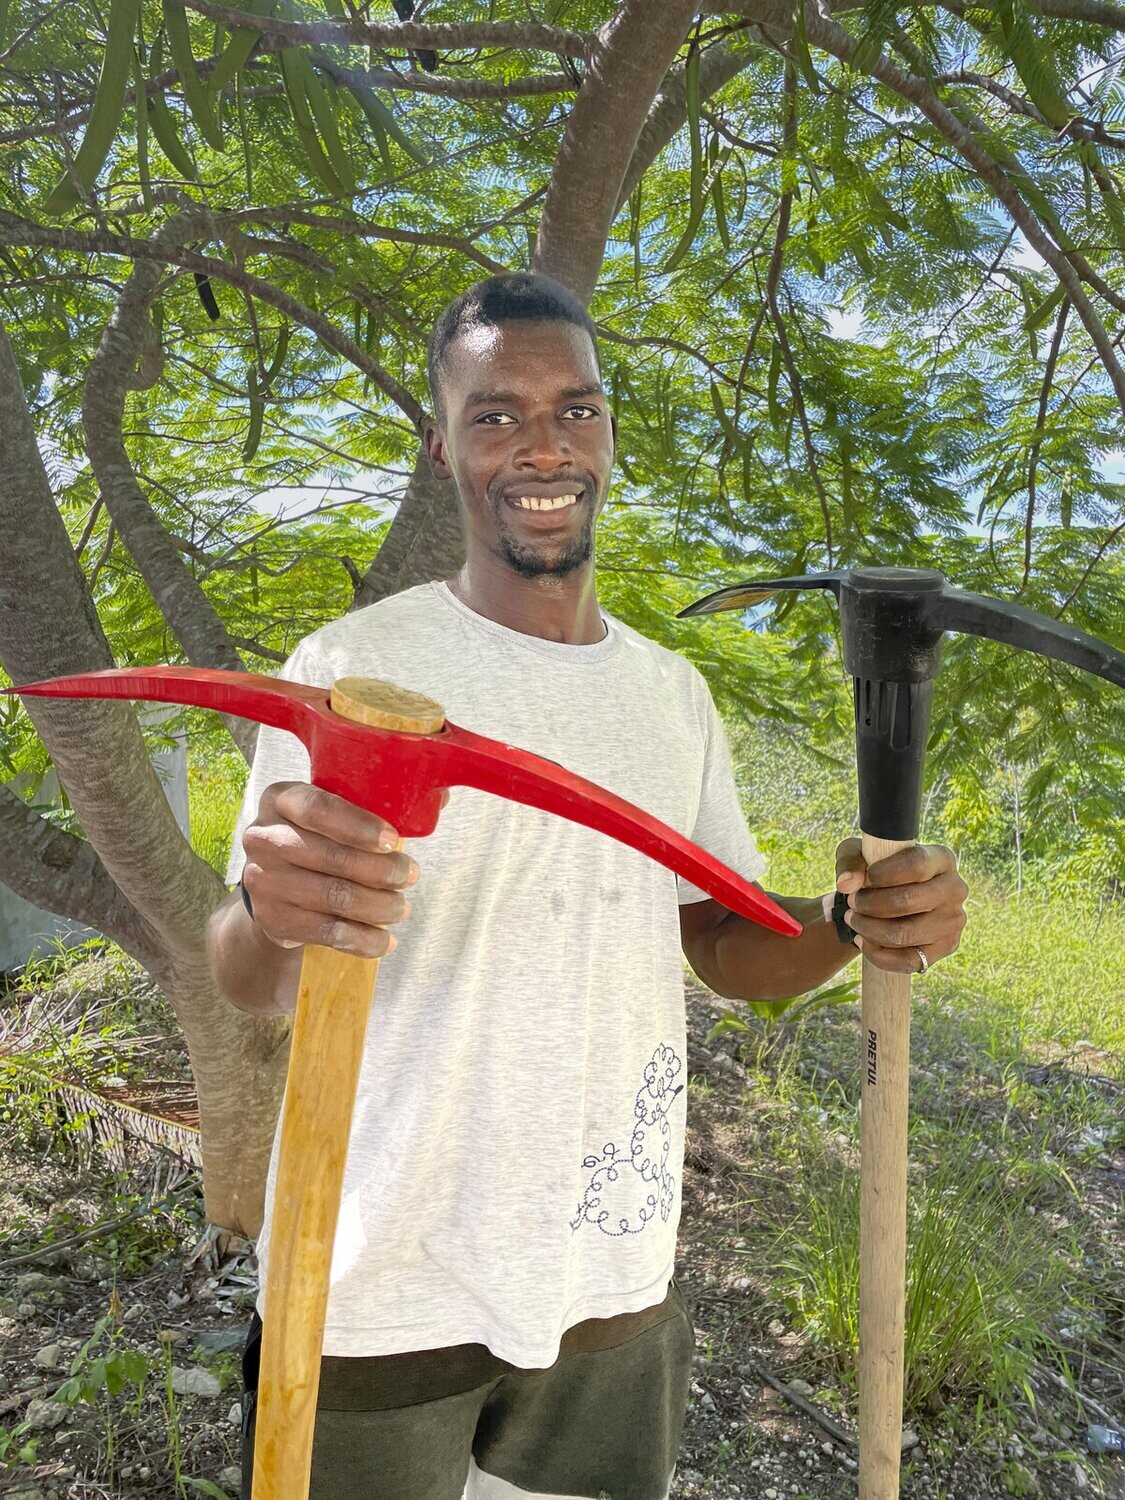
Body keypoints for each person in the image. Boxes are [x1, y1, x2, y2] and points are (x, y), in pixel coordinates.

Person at [207, 273, 968, 1500]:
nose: (543, 446)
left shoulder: (672, 699)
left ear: (609, 433)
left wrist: (850, 923)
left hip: (609, 1281)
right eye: (497, 415)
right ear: (442, 442)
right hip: (377, 1278)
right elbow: (251, 979)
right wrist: (268, 910)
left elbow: (723, 943)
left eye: (577, 410)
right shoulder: (357, 668)